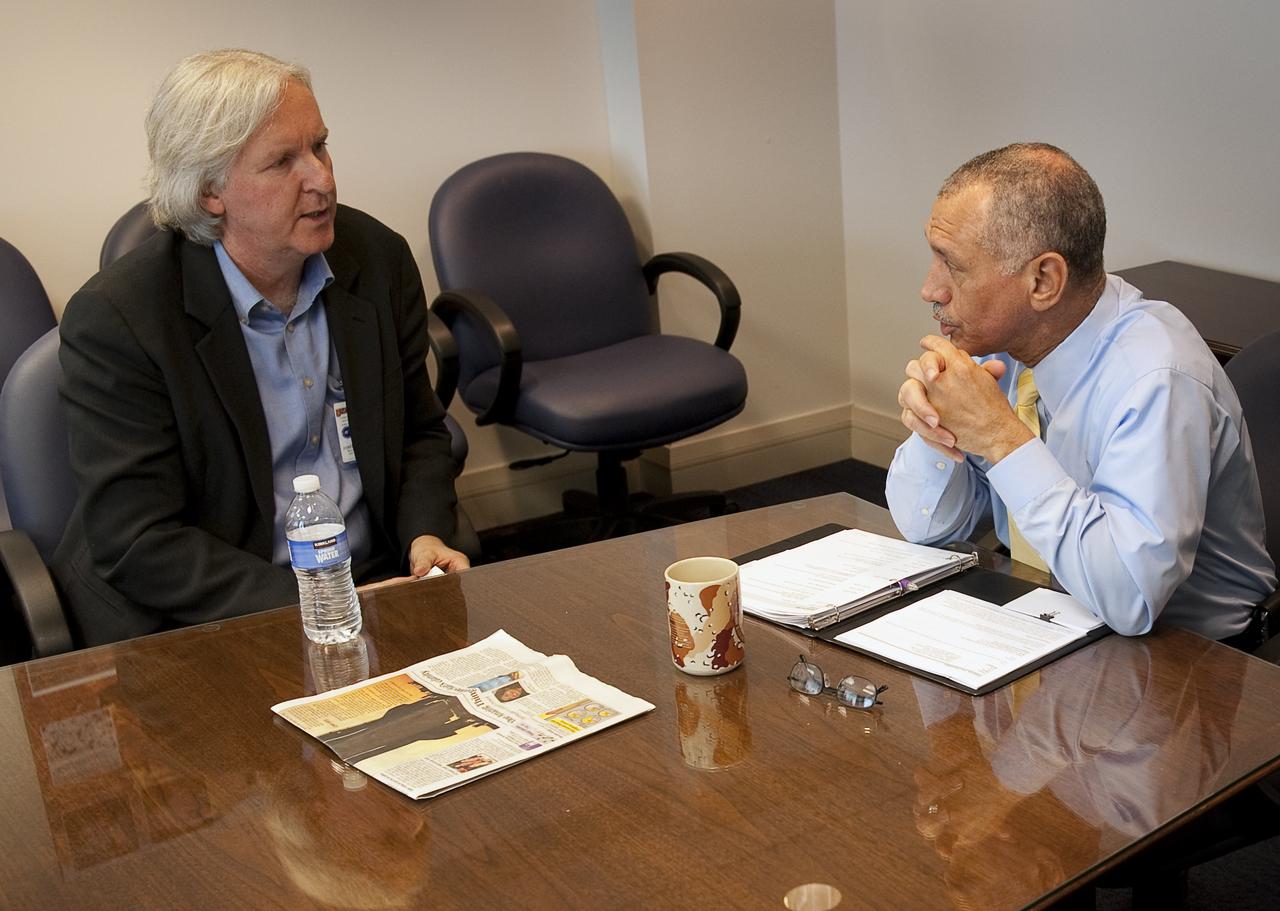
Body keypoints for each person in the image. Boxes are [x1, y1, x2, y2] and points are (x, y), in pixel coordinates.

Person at [54, 49, 469, 646]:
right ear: (209, 193)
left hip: (375, 586)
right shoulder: (120, 318)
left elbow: (419, 434)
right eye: (282, 162)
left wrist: (423, 535)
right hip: (216, 615)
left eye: (320, 146)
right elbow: (139, 539)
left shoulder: (377, 260)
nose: (322, 178)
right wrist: (317, 603)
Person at [886, 142, 1275, 643]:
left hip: (1190, 662)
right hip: (1043, 619)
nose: (931, 289)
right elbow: (927, 528)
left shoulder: (1157, 377)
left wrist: (1003, 441)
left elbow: (1130, 601)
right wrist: (933, 430)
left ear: (1044, 280)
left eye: (953, 266)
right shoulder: (997, 345)